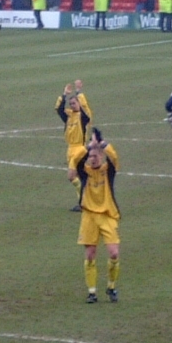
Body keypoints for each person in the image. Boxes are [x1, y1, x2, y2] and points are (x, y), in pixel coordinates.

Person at [68, 128, 120, 304]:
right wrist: (89, 146)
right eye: (91, 155)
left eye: (97, 154)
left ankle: (111, 287)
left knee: (113, 253)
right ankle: (92, 292)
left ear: (101, 156)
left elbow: (114, 157)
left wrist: (102, 144)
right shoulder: (85, 172)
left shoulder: (108, 170)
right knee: (90, 255)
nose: (94, 157)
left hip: (107, 215)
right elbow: (75, 160)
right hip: (89, 216)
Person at [54, 79, 93, 212]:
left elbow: (85, 108)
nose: (73, 105)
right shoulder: (69, 116)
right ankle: (84, 202)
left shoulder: (83, 117)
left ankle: (84, 201)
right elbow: (58, 109)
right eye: (71, 104)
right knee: (77, 177)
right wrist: (64, 94)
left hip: (80, 149)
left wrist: (78, 92)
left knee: (71, 176)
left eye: (74, 103)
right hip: (70, 149)